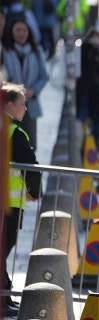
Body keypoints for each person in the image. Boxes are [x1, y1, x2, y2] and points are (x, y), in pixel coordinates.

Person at [1, 83, 41, 316]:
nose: (26, 108)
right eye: (22, 104)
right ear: (9, 105)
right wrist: (34, 192)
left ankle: (5, 296)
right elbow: (31, 168)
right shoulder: (14, 133)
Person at [2, 17, 49, 150]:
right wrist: (15, 90)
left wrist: (33, 90)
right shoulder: (5, 52)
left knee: (30, 145)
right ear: (11, 31)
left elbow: (44, 76)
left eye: (24, 30)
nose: (21, 33)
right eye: (18, 30)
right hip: (9, 105)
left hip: (31, 105)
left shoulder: (36, 51)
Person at [76, 29, 99, 146]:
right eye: (93, 38)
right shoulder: (83, 50)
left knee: (98, 125)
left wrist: (97, 53)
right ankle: (82, 147)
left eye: (98, 38)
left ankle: (95, 149)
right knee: (81, 122)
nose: (96, 41)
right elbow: (80, 67)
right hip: (84, 92)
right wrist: (88, 49)